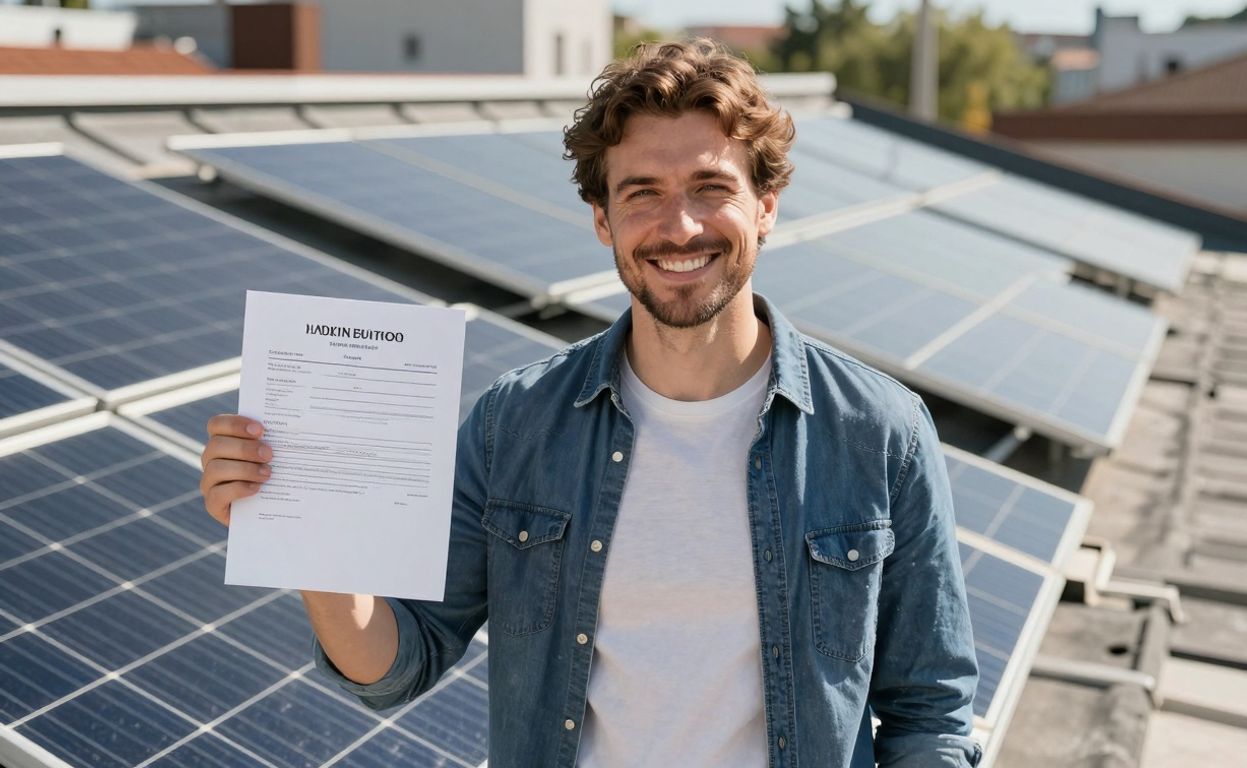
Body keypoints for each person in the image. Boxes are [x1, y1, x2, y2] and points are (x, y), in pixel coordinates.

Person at [200, 38, 980, 768]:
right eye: (643, 194)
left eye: (712, 188)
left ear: (767, 204)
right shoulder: (517, 427)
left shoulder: (880, 435)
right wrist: (304, 532)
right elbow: (400, 662)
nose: (679, 227)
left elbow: (931, 713)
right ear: (603, 218)